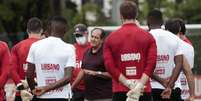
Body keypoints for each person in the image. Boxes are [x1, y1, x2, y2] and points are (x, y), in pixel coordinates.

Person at [103, 1, 157, 101]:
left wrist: (128, 83)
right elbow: (151, 64)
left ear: (120, 16)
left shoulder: (110, 39)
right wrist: (139, 85)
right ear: (136, 14)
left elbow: (109, 66)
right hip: (143, 90)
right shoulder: (148, 37)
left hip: (120, 90)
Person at [26, 16, 76, 101]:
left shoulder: (35, 46)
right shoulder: (69, 48)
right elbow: (68, 77)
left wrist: (34, 90)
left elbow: (29, 75)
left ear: (49, 28)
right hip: (62, 96)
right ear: (65, 31)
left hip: (41, 96)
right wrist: (46, 88)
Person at [147, 9, 184, 101]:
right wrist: (169, 85)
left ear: (148, 22)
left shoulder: (145, 37)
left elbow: (145, 66)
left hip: (151, 88)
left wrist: (162, 81)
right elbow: (179, 63)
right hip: (173, 88)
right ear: (162, 21)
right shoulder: (174, 38)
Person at [72, 28, 112, 101]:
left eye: (96, 38)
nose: (93, 39)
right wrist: (72, 88)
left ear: (102, 40)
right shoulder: (87, 52)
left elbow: (112, 74)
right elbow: (83, 71)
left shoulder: (106, 53)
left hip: (104, 97)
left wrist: (97, 73)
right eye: (92, 37)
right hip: (88, 97)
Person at [9, 17, 43, 101]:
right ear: (41, 31)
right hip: (41, 91)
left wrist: (20, 85)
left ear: (27, 30)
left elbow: (12, 69)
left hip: (22, 92)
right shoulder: (46, 47)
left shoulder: (17, 47)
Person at [165, 19, 195, 101]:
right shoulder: (188, 47)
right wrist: (192, 95)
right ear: (179, 30)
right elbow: (189, 72)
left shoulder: (163, 44)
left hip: (165, 86)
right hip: (183, 90)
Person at [71, 24, 91, 101]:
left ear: (86, 33)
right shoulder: (72, 48)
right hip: (76, 89)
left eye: (80, 35)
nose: (78, 38)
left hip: (90, 88)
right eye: (76, 36)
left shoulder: (92, 47)